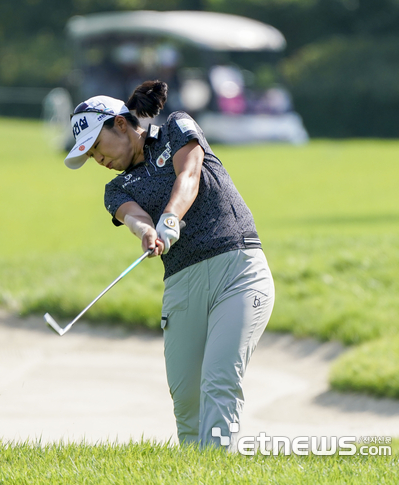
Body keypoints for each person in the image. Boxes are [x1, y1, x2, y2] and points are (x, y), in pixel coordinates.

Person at [63, 80, 275, 449]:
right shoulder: (117, 189)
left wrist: (171, 218)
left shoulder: (177, 127)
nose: (99, 159)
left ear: (122, 124)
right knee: (187, 402)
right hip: (182, 283)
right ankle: (196, 473)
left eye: (98, 146)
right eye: (90, 156)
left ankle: (218, 471)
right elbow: (134, 217)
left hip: (237, 270)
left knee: (219, 380)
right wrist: (147, 232)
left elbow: (188, 176)